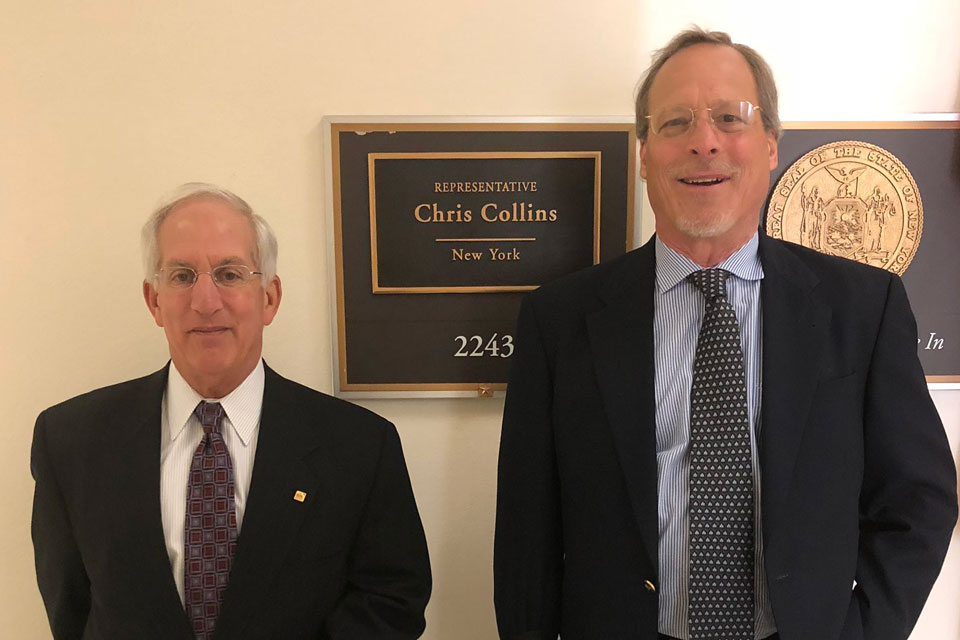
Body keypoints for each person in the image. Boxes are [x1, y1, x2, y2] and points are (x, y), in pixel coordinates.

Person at [494, 28, 956, 640]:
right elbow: (527, 530)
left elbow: (917, 500)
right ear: (642, 153)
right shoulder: (559, 319)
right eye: (676, 123)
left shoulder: (862, 307)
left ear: (770, 144)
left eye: (730, 119)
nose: (704, 143)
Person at [31, 183, 431, 639]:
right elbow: (71, 611)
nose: (206, 301)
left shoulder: (360, 446)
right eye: (181, 275)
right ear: (154, 300)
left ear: (270, 298)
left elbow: (392, 600)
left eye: (229, 273)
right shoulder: (70, 442)